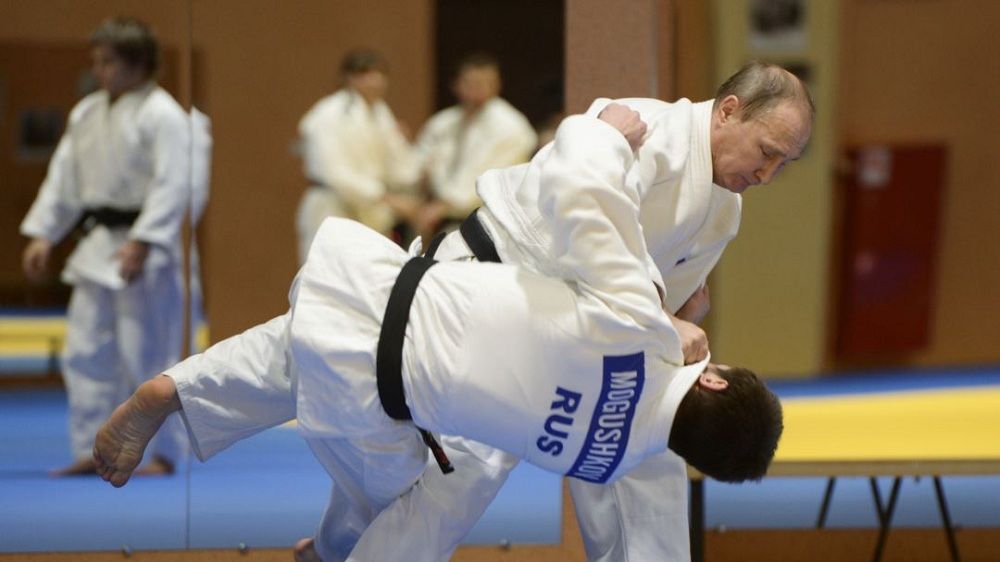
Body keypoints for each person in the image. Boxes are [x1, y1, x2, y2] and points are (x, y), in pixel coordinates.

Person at [117, 61, 812, 560]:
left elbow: (654, 298)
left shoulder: (724, 210)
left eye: (783, 165)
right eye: (767, 153)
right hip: (501, 287)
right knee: (443, 469)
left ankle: (201, 411)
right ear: (728, 111)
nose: (767, 174)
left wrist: (678, 309)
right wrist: (660, 313)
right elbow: (587, 201)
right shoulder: (647, 129)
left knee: (339, 363)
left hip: (565, 340)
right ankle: (328, 538)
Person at [19, 17, 192, 477]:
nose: (99, 70)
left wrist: (144, 239)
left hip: (145, 250)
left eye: (108, 62)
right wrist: (44, 233)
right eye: (96, 61)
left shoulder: (164, 114)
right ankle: (92, 449)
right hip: (96, 247)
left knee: (148, 355)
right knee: (84, 352)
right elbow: (63, 180)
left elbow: (174, 185)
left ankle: (159, 454)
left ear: (139, 64)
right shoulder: (87, 112)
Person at [295, 49, 421, 263]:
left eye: (379, 74)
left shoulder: (380, 113)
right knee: (328, 272)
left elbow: (401, 168)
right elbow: (333, 172)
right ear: (347, 78)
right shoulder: (329, 113)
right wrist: (387, 198)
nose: (374, 81)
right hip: (333, 205)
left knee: (369, 275)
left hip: (371, 211)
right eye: (364, 74)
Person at [412, 53, 537, 239]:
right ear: (456, 84)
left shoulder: (511, 126)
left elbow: (491, 179)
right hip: (438, 212)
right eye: (470, 82)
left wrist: (444, 206)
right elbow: (419, 162)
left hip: (488, 220)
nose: (477, 88)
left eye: (485, 82)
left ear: (496, 85)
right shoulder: (444, 122)